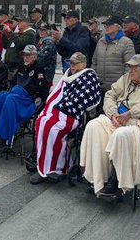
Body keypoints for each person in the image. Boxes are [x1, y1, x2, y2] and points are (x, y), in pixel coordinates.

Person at [79, 54, 140, 201]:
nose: (130, 71)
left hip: (137, 124)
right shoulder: (125, 79)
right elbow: (110, 95)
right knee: (93, 125)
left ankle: (115, 181)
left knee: (120, 135)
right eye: (129, 67)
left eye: (134, 68)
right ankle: (97, 177)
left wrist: (130, 113)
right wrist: (112, 114)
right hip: (117, 118)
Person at [32, 52, 102, 185]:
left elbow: (85, 98)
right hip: (60, 109)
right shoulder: (67, 75)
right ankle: (43, 164)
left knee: (53, 128)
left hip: (73, 114)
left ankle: (57, 168)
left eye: (75, 63)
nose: (72, 66)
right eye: (71, 63)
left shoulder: (88, 76)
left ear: (84, 64)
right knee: (41, 121)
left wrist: (64, 106)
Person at [90, 15, 135, 92]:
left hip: (117, 88)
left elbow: (129, 66)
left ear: (118, 27)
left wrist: (123, 85)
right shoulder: (101, 41)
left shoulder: (127, 43)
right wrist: (93, 79)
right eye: (105, 25)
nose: (106, 27)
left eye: (109, 25)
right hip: (99, 86)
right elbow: (94, 62)